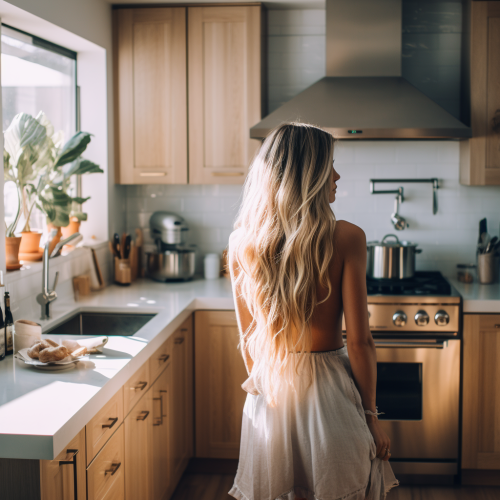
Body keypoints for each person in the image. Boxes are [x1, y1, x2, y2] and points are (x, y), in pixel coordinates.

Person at [227, 123, 399, 500]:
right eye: (330, 165)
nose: (337, 176)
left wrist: (269, 388)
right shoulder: (347, 237)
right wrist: (372, 418)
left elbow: (248, 343)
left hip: (269, 396)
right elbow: (360, 342)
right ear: (308, 174)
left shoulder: (241, 242)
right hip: (331, 400)